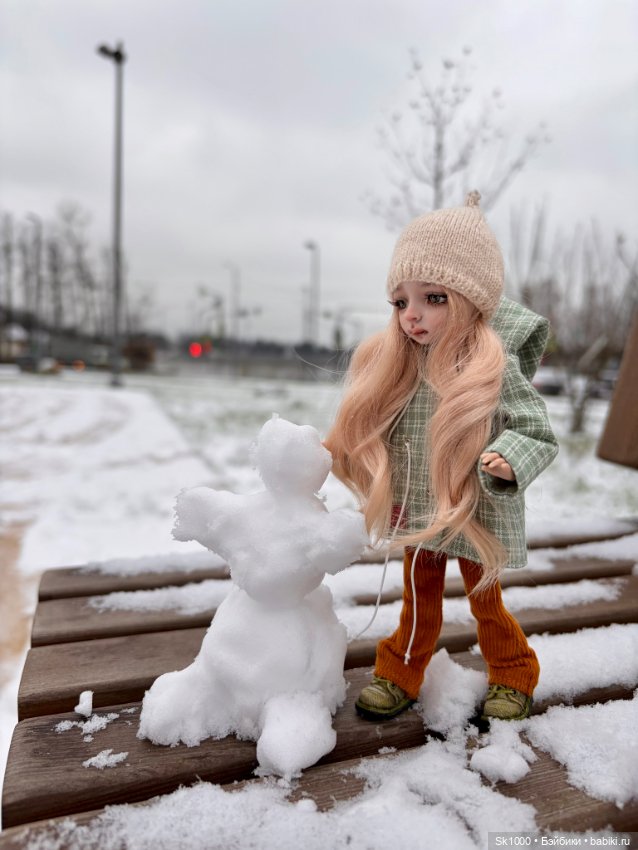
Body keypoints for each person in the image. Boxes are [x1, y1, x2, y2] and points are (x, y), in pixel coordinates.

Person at [324, 191, 559, 723]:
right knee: (418, 599)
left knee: (486, 602)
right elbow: (381, 423)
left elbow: (536, 431)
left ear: (472, 300)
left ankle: (514, 670)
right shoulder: (401, 364)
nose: (412, 316)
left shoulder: (492, 368)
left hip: (475, 508)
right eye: (400, 302)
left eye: (433, 298)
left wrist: (508, 458)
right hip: (417, 506)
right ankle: (401, 670)